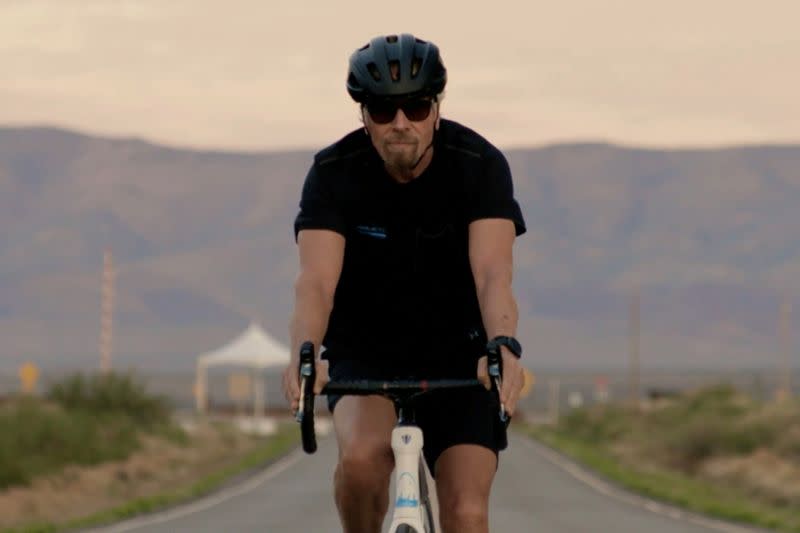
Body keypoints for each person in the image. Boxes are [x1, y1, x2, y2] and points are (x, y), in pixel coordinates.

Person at [283, 33, 527, 533]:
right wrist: (303, 352)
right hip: (366, 355)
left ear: (436, 108)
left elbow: (492, 273)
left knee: (466, 512)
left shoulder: (479, 165)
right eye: (383, 108)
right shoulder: (333, 172)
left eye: (415, 107)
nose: (400, 123)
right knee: (360, 466)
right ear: (363, 115)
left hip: (463, 355)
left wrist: (503, 344)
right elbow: (316, 281)